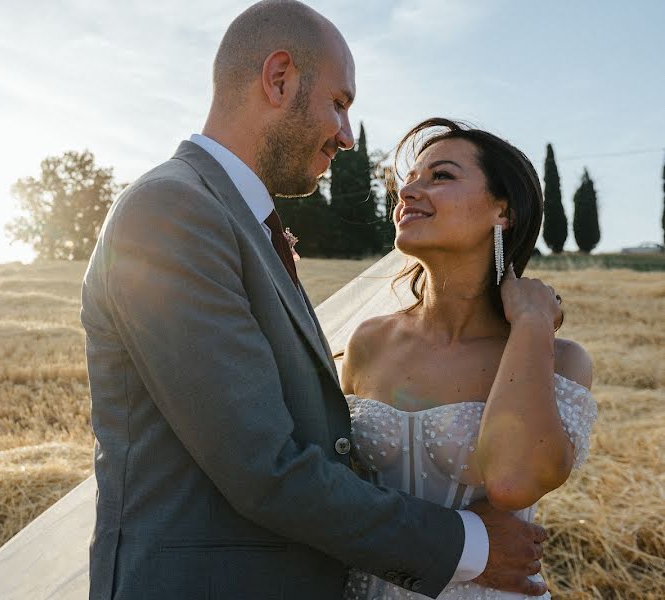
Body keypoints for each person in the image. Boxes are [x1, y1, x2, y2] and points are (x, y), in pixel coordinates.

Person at [77, 2, 555, 598]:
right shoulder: (174, 211)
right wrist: (471, 545)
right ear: (279, 79)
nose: (348, 137)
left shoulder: (235, 221)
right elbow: (264, 466)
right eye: (340, 104)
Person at [338, 118, 596, 599]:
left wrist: (532, 325)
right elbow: (328, 491)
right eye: (409, 180)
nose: (409, 192)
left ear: (503, 211)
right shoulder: (368, 342)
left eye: (440, 176)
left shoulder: (560, 361)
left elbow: (513, 483)